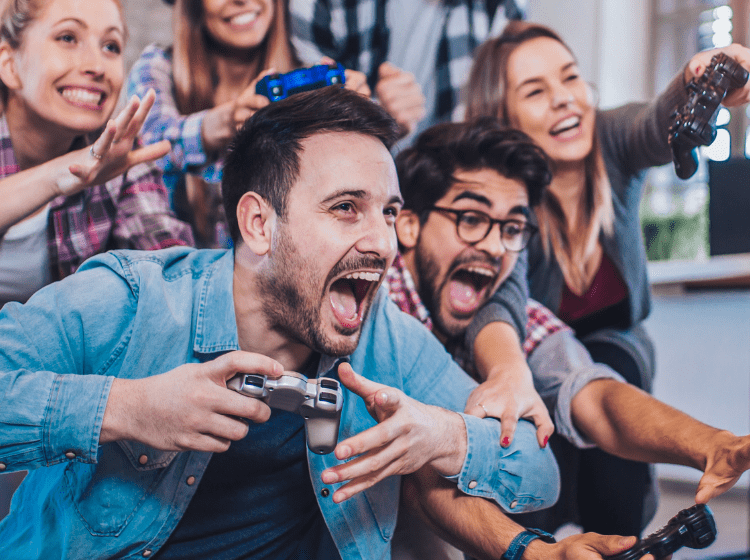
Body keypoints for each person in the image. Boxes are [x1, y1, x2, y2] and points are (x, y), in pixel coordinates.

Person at [0, 87, 559, 559]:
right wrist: (125, 409)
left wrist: (444, 435)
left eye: (388, 212)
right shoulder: (132, 298)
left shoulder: (384, 337)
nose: (384, 243)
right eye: (346, 208)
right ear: (259, 224)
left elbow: (540, 470)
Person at [388, 118, 750, 559]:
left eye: (512, 228)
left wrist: (713, 445)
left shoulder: (508, 314)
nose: (495, 246)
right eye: (471, 218)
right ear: (409, 226)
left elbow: (593, 395)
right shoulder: (372, 312)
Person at [462, 20, 750, 536]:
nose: (564, 100)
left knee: (616, 374)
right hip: (536, 363)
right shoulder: (501, 194)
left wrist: (695, 77)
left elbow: (659, 122)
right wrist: (506, 371)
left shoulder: (612, 138)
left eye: (571, 78)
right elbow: (500, 298)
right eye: (535, 91)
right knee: (539, 477)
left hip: (617, 351)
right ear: (503, 119)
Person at [127, 0, 370, 247]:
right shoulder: (157, 67)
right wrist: (225, 122)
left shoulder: (306, 86)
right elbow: (147, 149)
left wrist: (359, 118)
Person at [0, 0, 192, 307]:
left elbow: (164, 255)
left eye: (111, 46)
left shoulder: (119, 152)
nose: (97, 66)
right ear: (9, 65)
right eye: (68, 38)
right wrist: (60, 175)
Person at [289, 0, 523, 139]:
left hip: (461, 185)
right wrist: (376, 117)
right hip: (362, 189)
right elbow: (311, 134)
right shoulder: (319, 6)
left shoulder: (505, 5)